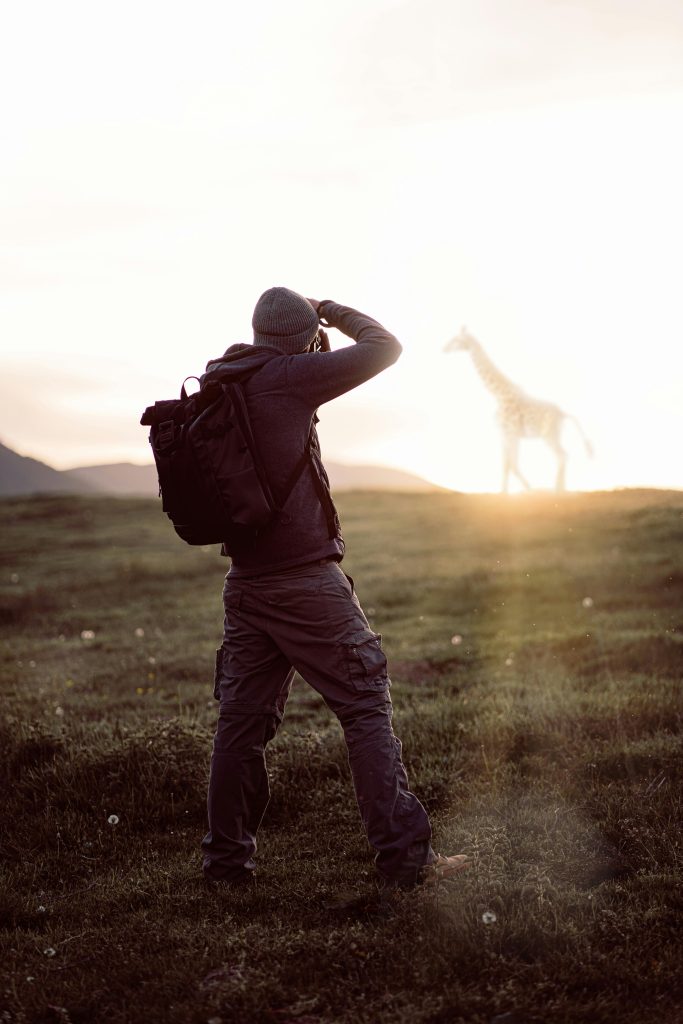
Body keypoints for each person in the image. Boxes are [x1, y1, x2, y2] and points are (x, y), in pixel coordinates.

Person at [200, 287, 468, 890]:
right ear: (301, 338)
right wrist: (332, 311)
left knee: (239, 729)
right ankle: (405, 859)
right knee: (364, 705)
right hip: (306, 584)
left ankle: (224, 866)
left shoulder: (224, 379)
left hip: (245, 585)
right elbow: (385, 347)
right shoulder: (293, 376)